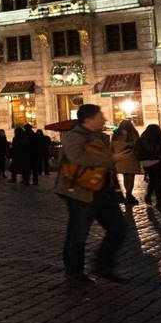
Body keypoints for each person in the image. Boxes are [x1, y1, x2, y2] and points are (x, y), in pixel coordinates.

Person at [55, 104, 131, 283]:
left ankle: (102, 266)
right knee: (78, 234)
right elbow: (77, 158)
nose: (104, 118)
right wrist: (110, 159)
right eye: (100, 116)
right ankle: (74, 272)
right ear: (88, 120)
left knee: (118, 229)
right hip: (81, 191)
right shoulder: (74, 136)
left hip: (103, 190)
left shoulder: (100, 137)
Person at [134, 123, 161, 209]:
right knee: (158, 182)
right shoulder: (158, 139)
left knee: (152, 180)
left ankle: (148, 196)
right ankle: (159, 201)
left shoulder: (141, 140)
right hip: (156, 162)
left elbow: (136, 152)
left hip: (145, 163)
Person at [111, 119, 140, 207]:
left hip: (120, 157)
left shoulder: (116, 133)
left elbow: (112, 145)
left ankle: (128, 194)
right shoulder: (133, 133)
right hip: (131, 157)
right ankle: (129, 194)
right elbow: (137, 144)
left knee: (125, 176)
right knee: (131, 177)